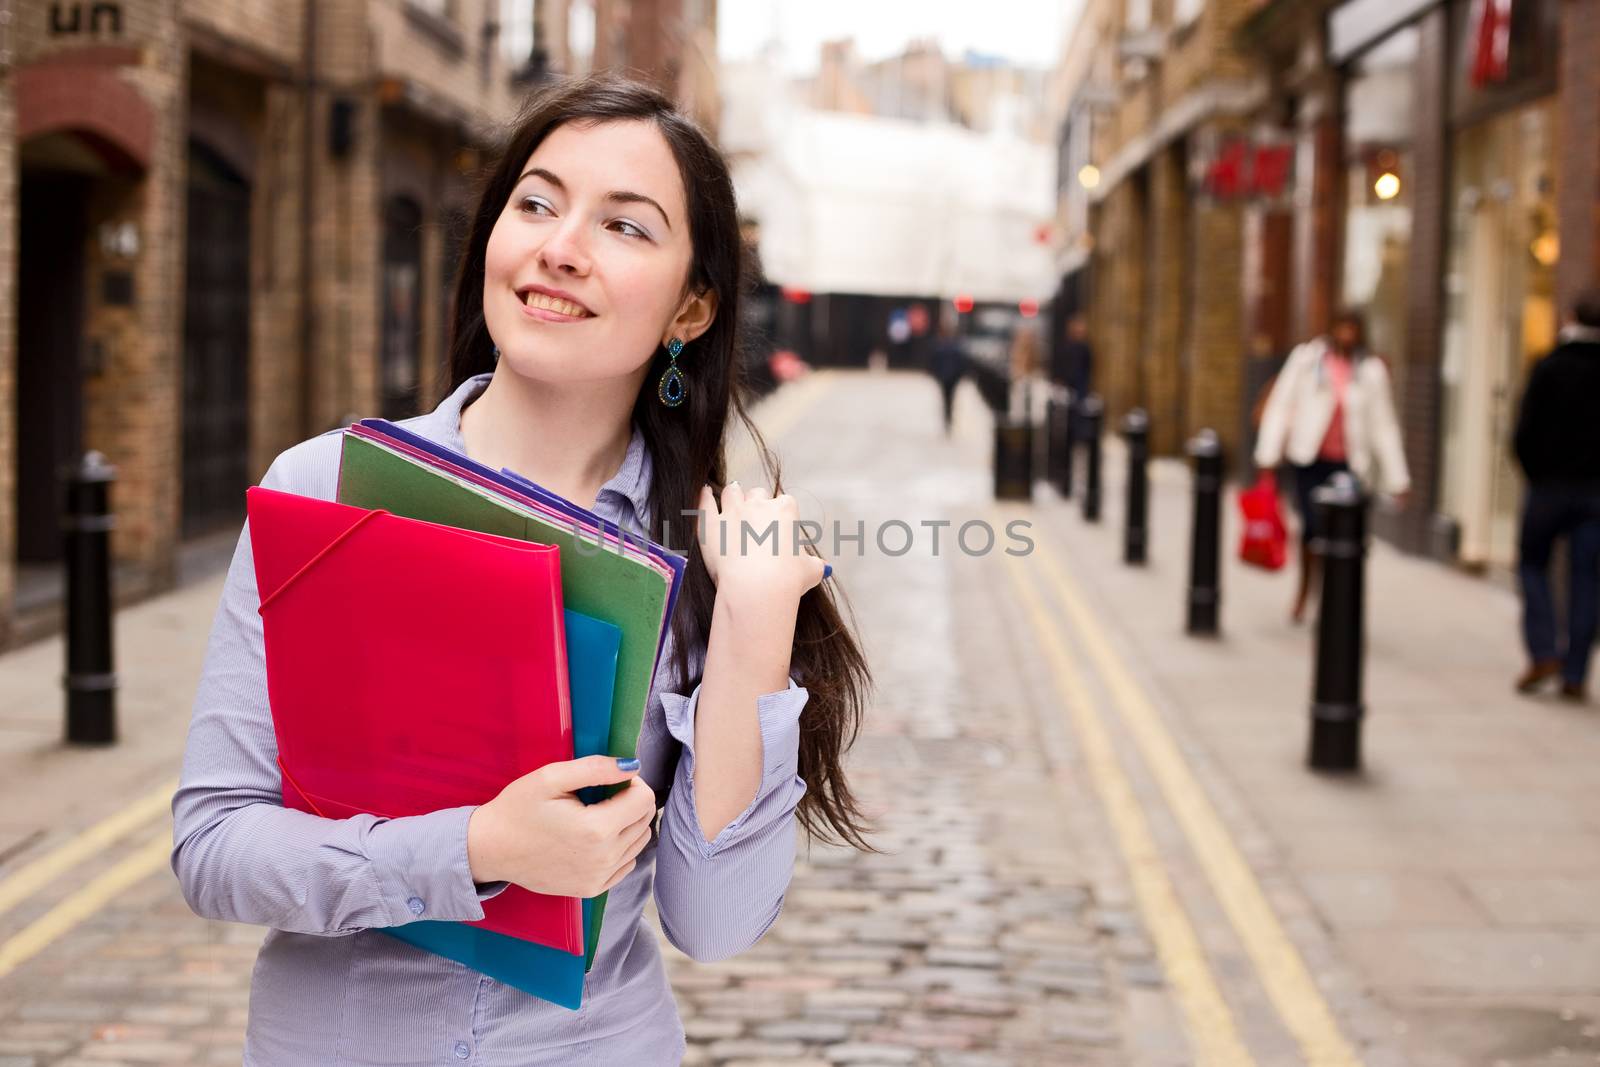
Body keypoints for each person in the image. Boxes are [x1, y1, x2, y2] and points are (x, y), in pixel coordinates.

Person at [172, 76, 873, 1065]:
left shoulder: (709, 553)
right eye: (536, 203)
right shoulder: (325, 488)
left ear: (692, 305)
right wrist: (474, 851)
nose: (560, 246)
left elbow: (711, 923)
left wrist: (754, 622)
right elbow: (214, 847)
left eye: (625, 227)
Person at [1254, 309, 1410, 623]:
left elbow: (1384, 425)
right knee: (1312, 530)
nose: (1347, 336)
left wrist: (1398, 479)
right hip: (1310, 460)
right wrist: (1267, 457)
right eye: (1342, 328)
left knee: (1344, 537)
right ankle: (1304, 591)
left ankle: (1334, 599)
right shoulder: (1307, 360)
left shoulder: (1370, 370)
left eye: (1353, 330)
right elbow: (1282, 405)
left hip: (1349, 466)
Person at [1511, 290, 1600, 700]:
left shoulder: (1549, 366)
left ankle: (1544, 651)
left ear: (1569, 317)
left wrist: (1536, 474)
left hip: (1548, 490)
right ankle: (1576, 672)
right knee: (1587, 580)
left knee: (1532, 566)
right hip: (1594, 496)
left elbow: (1524, 434)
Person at [929, 305, 966, 434]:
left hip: (949, 377)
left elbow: (961, 363)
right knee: (948, 399)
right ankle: (947, 418)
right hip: (947, 377)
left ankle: (948, 418)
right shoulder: (945, 346)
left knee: (948, 399)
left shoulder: (949, 346)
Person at [1053, 312, 1094, 400]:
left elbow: (1088, 367)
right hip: (1065, 385)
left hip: (1080, 386)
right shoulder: (1064, 346)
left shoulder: (1085, 348)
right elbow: (1059, 364)